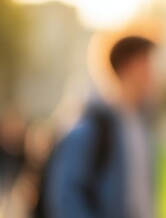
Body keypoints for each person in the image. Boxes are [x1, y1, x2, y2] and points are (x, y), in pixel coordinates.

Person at [44, 36, 158, 218]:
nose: (155, 72)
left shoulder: (142, 124)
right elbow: (66, 197)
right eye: (147, 63)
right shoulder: (92, 128)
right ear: (128, 66)